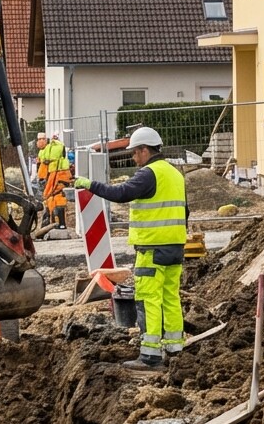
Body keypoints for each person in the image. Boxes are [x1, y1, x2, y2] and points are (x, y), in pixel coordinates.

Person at [74, 127, 188, 373]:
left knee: (148, 299)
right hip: (175, 247)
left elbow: (121, 193)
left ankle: (150, 356)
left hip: (152, 248)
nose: (134, 159)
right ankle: (175, 349)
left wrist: (88, 184)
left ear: (145, 151)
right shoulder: (174, 174)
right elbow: (184, 211)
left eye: (135, 153)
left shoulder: (149, 174)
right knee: (170, 297)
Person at [43, 135, 73, 231]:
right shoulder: (63, 163)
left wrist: (45, 195)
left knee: (54, 201)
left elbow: (49, 187)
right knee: (57, 202)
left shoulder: (53, 167)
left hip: (57, 190)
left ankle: (57, 224)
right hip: (60, 189)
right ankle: (60, 224)